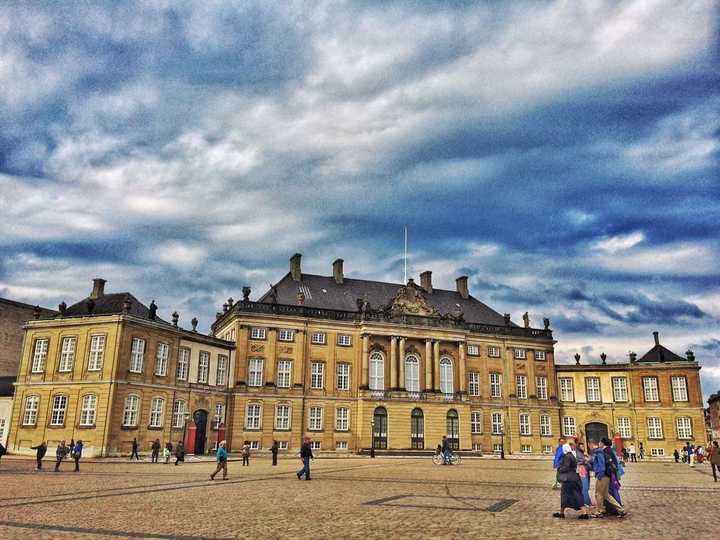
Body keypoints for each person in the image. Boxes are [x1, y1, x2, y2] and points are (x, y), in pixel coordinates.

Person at [553, 441, 589, 519]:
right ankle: (562, 512)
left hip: (569, 480)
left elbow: (566, 467)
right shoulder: (571, 455)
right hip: (573, 478)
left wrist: (559, 468)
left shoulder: (567, 456)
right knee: (567, 495)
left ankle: (584, 513)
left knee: (572, 495)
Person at [592, 438, 627, 518]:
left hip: (604, 475)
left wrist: (599, 474)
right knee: (606, 494)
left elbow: (602, 465)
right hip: (608, 474)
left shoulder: (602, 452)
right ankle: (620, 510)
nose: (599, 443)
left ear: (602, 443)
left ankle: (599, 511)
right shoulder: (608, 450)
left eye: (600, 442)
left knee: (598, 494)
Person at [575, 441, 592, 507]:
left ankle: (587, 501)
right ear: (578, 447)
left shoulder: (582, 453)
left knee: (586, 486)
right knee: (585, 486)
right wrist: (587, 459)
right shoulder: (579, 453)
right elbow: (584, 461)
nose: (583, 447)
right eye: (581, 446)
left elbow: (588, 460)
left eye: (583, 446)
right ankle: (586, 502)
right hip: (582, 470)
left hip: (585, 470)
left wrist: (587, 459)